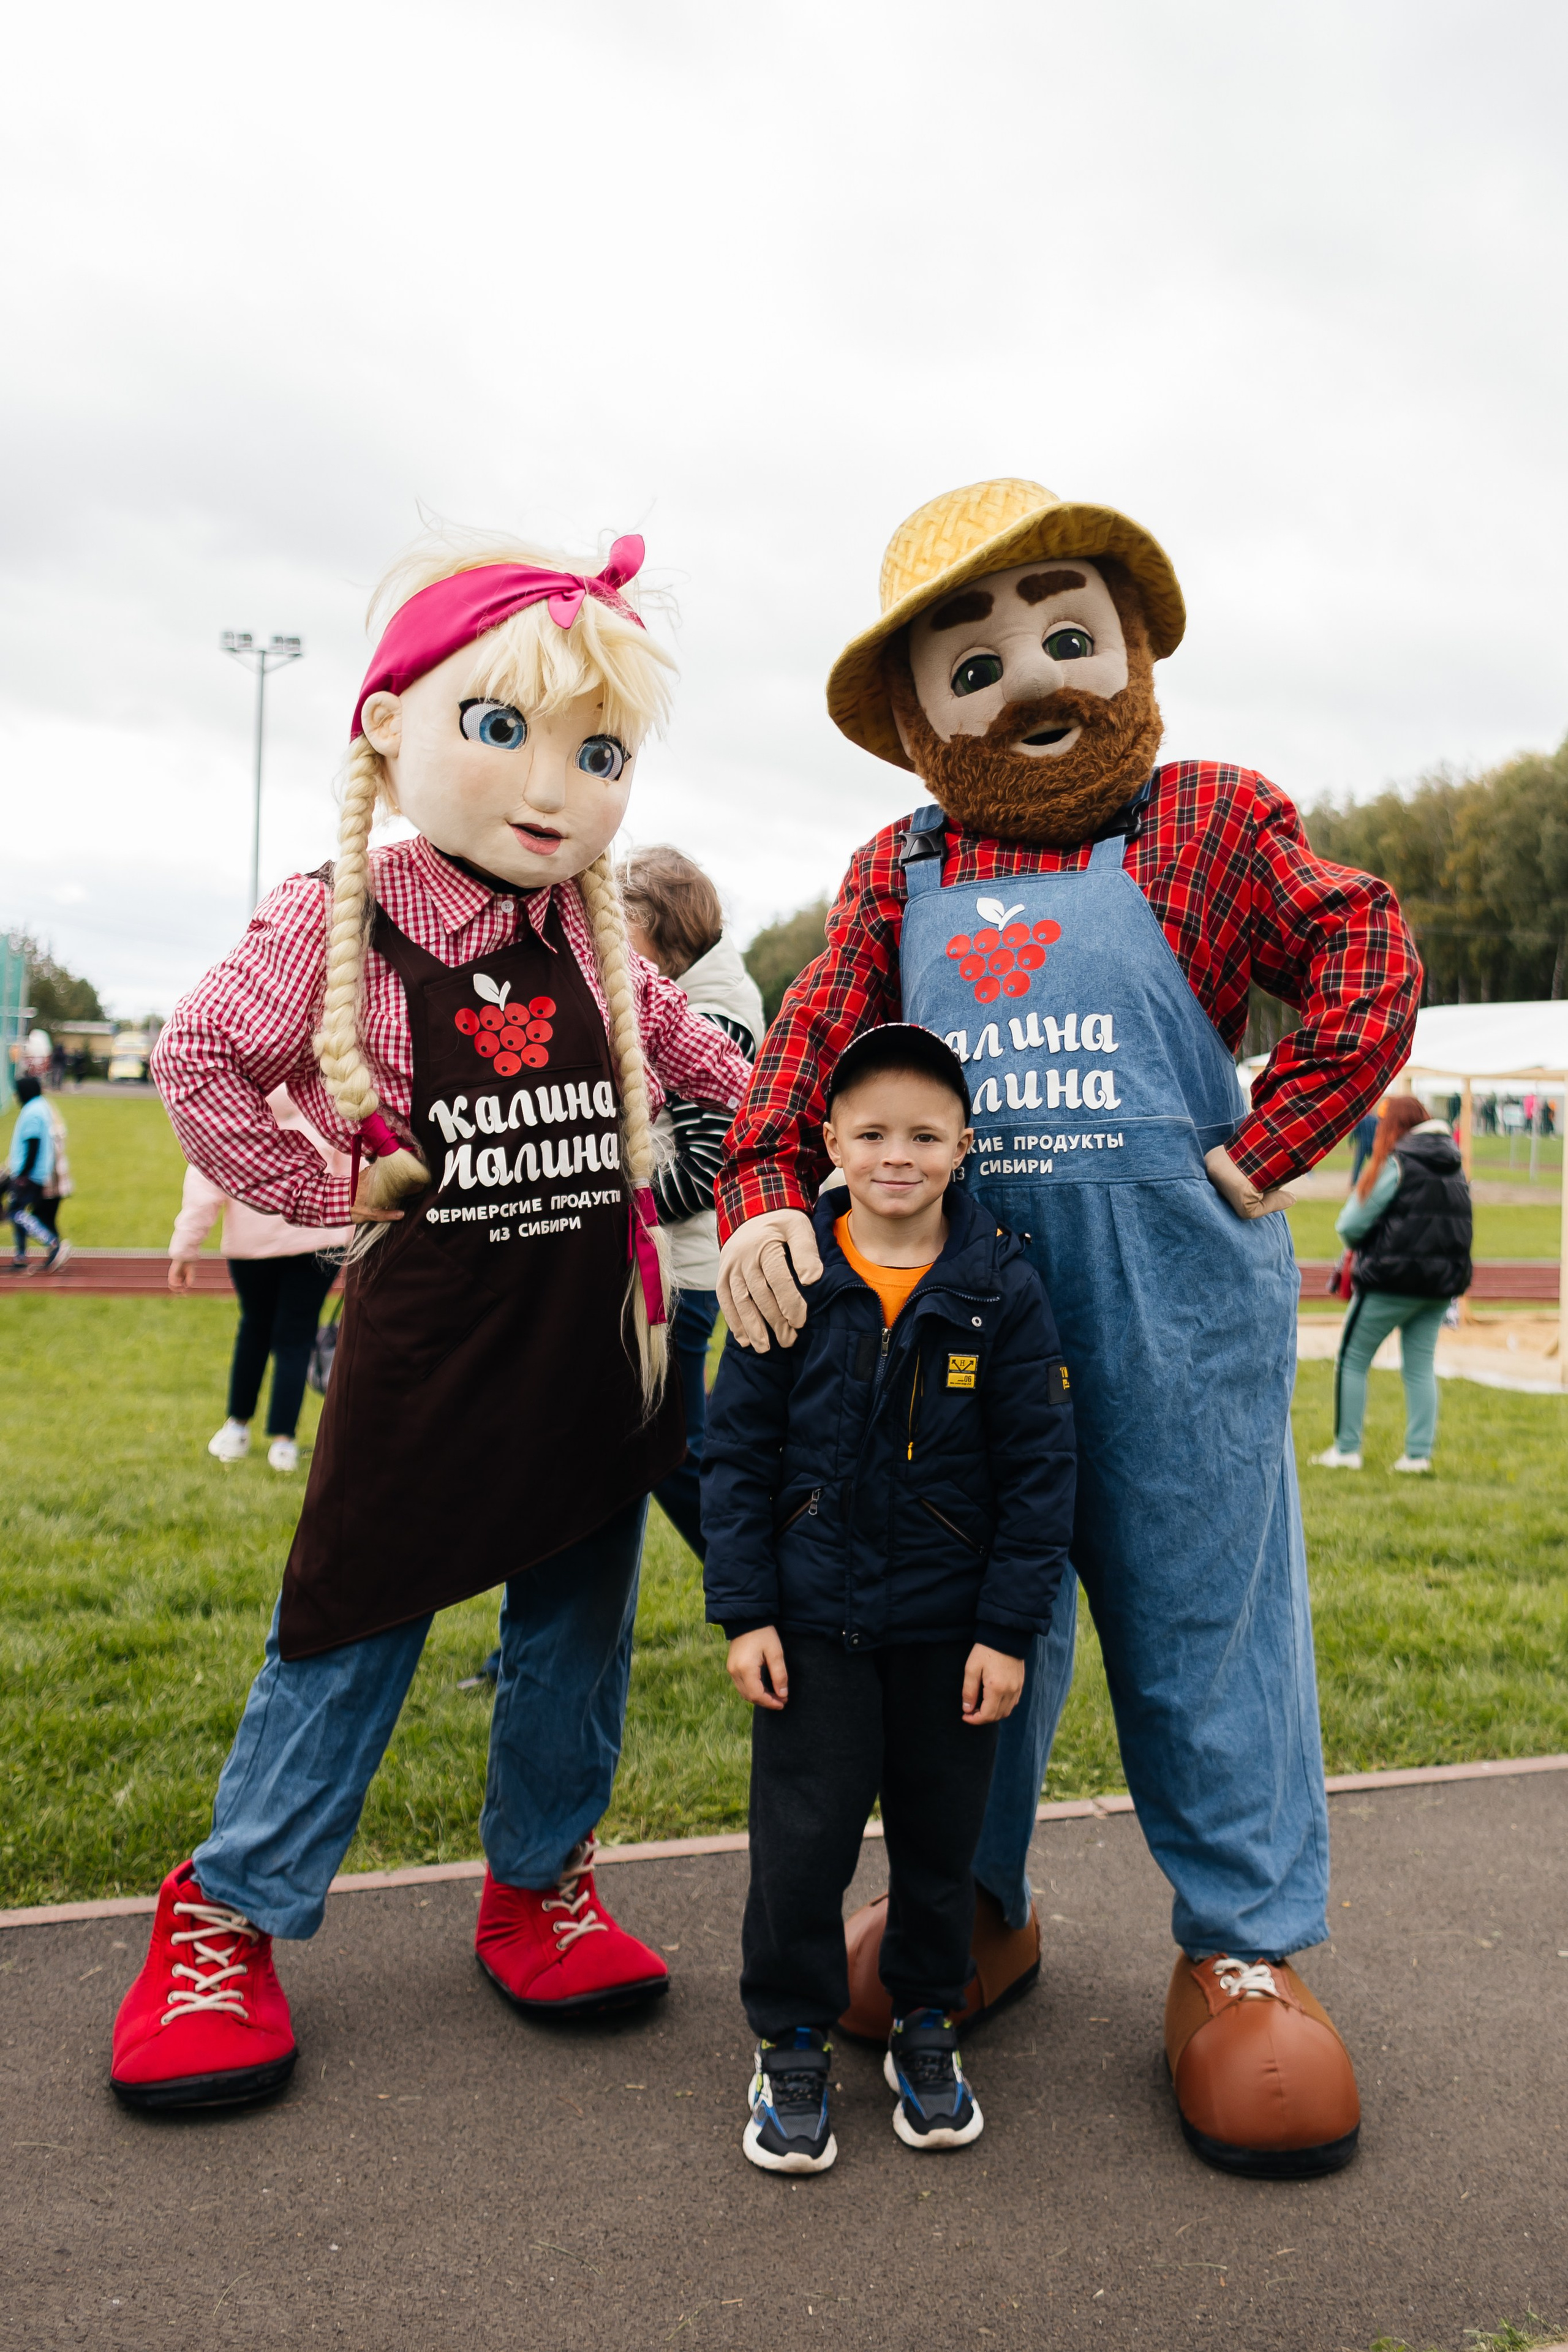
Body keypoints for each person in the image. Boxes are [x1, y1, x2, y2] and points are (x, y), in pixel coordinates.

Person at [715, 477, 1421, 2178]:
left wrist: (1274, 1139)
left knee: (1205, 1627)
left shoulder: (1209, 821)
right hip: (953, 1353)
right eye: (974, 664)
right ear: (913, 718)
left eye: (1063, 636)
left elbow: (1365, 945)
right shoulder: (902, 866)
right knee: (969, 1643)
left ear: (1130, 644)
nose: (1030, 683)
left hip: (1175, 1329)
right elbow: (811, 1047)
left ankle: (1242, 1945)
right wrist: (755, 1193)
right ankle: (977, 1909)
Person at [111, 527, 752, 2114]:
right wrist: (334, 1189)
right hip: (430, 1351)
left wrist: (826, 1151)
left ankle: (540, 1889)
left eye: (598, 754)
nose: (555, 784)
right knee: (347, 1624)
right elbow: (201, 1061)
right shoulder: (348, 914)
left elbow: (729, 1082)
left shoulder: (598, 936)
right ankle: (228, 1919)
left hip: (597, 1351)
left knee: (577, 1642)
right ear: (396, 731)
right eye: (505, 730)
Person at [703, 1025, 1075, 2172]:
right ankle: (794, 2044)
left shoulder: (1003, 1288)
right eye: (872, 1134)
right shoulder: (792, 1279)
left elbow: (1041, 1474)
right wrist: (747, 1611)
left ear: (965, 1145)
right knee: (802, 1849)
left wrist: (1006, 1633)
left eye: (924, 1134)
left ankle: (926, 2023)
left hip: (948, 1636)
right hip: (812, 1630)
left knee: (937, 1847)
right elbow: (734, 1456)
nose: (898, 1155)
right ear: (831, 1144)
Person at [620, 843, 765, 1561]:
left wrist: (616, 1211)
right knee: (649, 1446)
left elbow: (707, 1163)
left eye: (625, 928)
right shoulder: (704, 994)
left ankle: (766, 1597)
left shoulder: (709, 1015)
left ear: (661, 927)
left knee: (672, 1448)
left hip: (677, 1268)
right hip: (670, 1260)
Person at [169, 1087, 351, 1474]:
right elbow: (351, 1172)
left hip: (252, 1246)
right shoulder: (326, 1106)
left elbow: (203, 1185)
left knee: (254, 1329)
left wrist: (186, 1249)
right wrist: (355, 1239)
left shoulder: (230, 1116)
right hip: (319, 1241)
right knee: (297, 1338)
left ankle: (237, 1428)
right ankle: (283, 1443)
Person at [1314, 1095, 1471, 1475]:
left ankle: (1346, 1450)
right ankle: (1417, 1457)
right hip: (1439, 1288)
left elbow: (1349, 1225)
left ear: (1395, 1127)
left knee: (1352, 1360)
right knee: (1419, 1368)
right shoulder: (1454, 1165)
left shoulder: (1399, 1163)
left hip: (1389, 1282)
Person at [6, 1074, 72, 1274]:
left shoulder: (32, 1112)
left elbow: (33, 1145)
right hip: (37, 1172)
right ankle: (21, 1255)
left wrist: (23, 1175)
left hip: (30, 1173)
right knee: (18, 1211)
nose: (16, 1096)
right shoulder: (42, 1106)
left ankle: (54, 1244)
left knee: (16, 1213)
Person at [1347, 1107, 1380, 1186]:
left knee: (1358, 1163)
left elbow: (1354, 1131)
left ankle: (1354, 1182)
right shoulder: (1375, 1120)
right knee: (1374, 1163)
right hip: (1373, 1144)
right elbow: (1379, 1132)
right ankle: (1373, 1181)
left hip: (1362, 1144)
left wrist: (1350, 1142)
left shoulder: (1360, 1120)